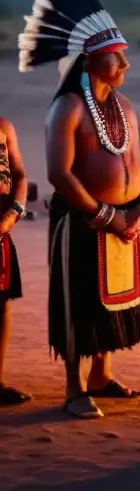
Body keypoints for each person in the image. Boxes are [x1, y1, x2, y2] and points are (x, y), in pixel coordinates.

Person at [19, 0, 140, 419]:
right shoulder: (68, 108)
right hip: (81, 221)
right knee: (80, 303)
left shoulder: (126, 106)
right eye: (118, 57)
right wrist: (104, 216)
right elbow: (59, 174)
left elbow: (137, 164)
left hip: (123, 219)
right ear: (91, 60)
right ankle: (75, 386)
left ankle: (101, 375)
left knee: (113, 305)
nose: (126, 65)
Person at [0, 117, 30, 406]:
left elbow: (20, 174)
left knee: (1, 304)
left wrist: (13, 213)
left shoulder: (4, 127)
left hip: (1, 230)